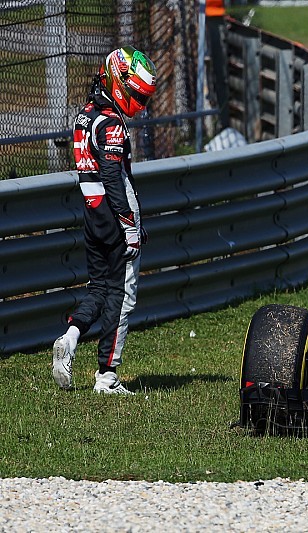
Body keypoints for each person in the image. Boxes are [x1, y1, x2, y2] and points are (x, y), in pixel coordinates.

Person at [52, 46, 157, 394]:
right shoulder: (111, 123)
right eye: (136, 95)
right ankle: (107, 377)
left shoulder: (85, 115)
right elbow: (113, 176)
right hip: (115, 218)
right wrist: (129, 224)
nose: (139, 104)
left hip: (92, 217)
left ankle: (70, 337)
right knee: (122, 296)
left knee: (98, 289)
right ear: (117, 81)